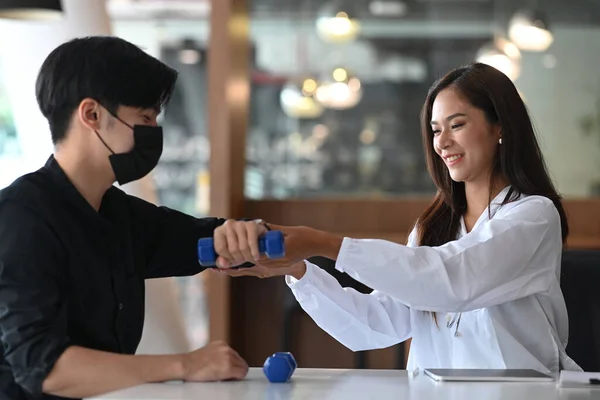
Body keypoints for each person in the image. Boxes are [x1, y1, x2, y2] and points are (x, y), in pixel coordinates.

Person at [212, 63, 582, 375]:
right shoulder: (432, 228)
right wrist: (297, 270)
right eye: (436, 130)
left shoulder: (533, 216)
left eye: (457, 125)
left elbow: (456, 280)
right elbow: (376, 323)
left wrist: (324, 243)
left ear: (500, 127)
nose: (442, 143)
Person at [0, 36, 261, 400]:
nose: (154, 132)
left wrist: (249, 240)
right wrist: (186, 365)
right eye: (144, 117)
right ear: (92, 115)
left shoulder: (120, 215)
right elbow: (44, 367)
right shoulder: (20, 218)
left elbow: (208, 239)